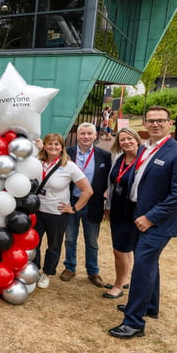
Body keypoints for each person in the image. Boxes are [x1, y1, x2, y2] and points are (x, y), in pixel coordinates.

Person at [109, 106, 177, 339]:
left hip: (158, 222)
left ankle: (134, 322)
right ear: (145, 125)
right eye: (150, 121)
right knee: (148, 263)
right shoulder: (144, 149)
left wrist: (151, 217)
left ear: (170, 123)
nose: (155, 124)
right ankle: (149, 306)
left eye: (160, 120)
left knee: (142, 267)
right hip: (137, 216)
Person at [33, 133, 93, 289]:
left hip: (57, 213)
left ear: (62, 147)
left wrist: (74, 208)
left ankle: (47, 274)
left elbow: (87, 190)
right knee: (33, 243)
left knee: (53, 245)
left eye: (57, 144)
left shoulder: (69, 166)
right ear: (44, 146)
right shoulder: (36, 162)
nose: (53, 147)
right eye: (50, 144)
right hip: (37, 211)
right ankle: (34, 271)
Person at [60, 122, 112, 287]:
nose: (86, 137)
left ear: (95, 135)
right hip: (71, 202)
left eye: (90, 133)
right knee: (69, 237)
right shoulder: (67, 152)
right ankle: (70, 267)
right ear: (78, 135)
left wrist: (106, 204)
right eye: (83, 133)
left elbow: (108, 181)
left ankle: (93, 271)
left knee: (92, 241)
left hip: (93, 203)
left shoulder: (104, 155)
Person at [102, 127, 143, 299]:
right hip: (118, 209)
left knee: (120, 250)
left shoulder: (144, 159)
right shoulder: (119, 158)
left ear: (137, 139)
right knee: (123, 250)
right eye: (122, 140)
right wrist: (108, 206)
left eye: (129, 139)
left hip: (134, 210)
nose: (126, 142)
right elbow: (112, 185)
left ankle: (118, 286)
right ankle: (124, 279)